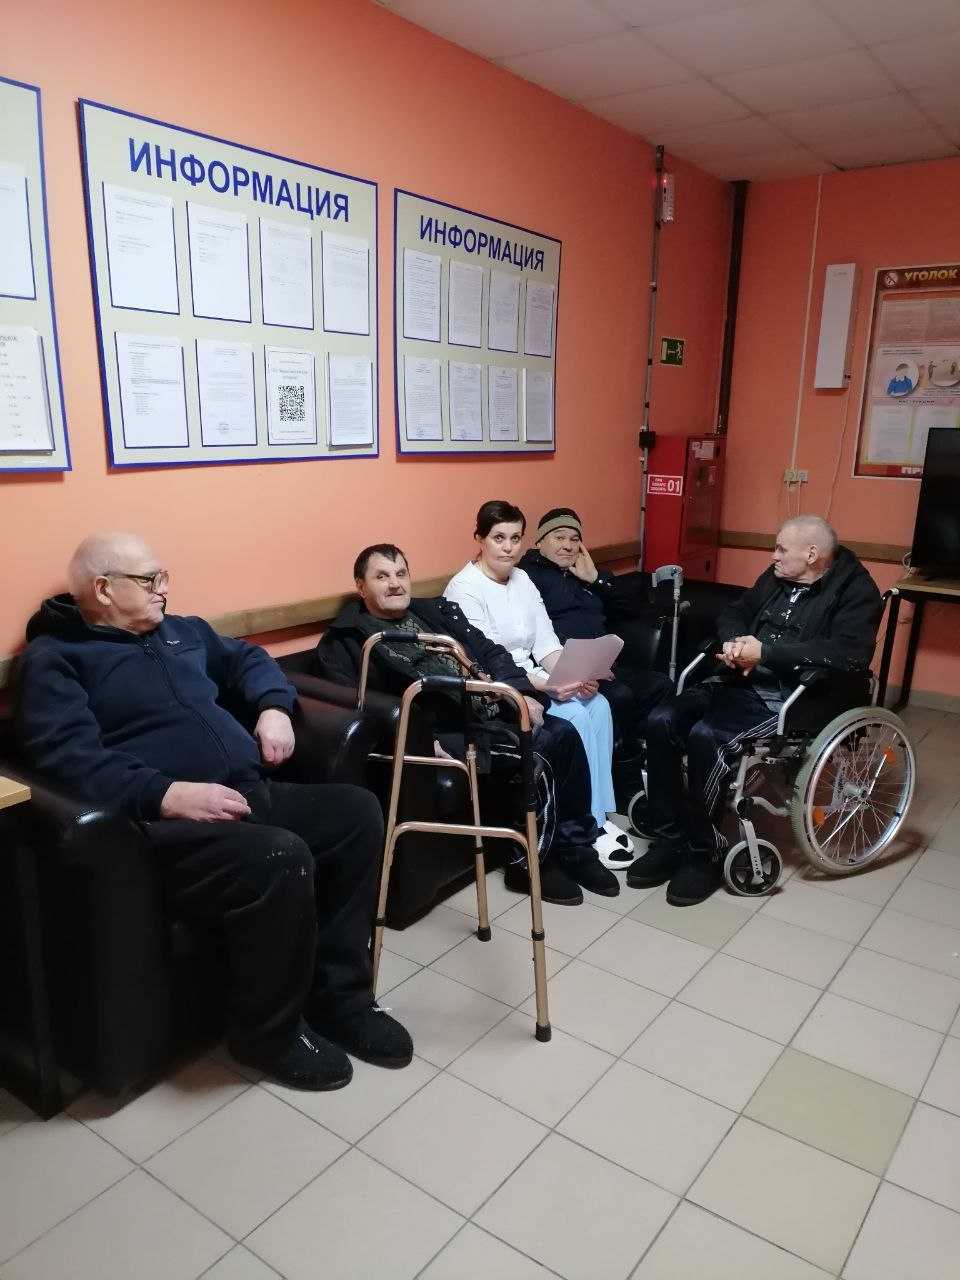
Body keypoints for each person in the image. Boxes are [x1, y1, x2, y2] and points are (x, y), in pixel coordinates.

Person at [15, 532, 412, 1092]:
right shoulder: (56, 660)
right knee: (280, 854)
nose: (164, 589)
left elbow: (250, 659)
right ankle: (268, 1033)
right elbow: (68, 759)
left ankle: (340, 998)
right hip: (163, 824)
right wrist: (166, 793)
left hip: (246, 791)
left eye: (163, 576)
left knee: (356, 812)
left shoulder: (185, 631)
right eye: (150, 580)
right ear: (103, 590)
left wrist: (274, 708)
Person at [316, 543, 621, 904]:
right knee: (539, 750)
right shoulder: (348, 640)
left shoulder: (433, 612)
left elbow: (489, 650)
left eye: (401, 574)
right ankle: (531, 863)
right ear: (361, 586)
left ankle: (577, 846)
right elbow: (358, 706)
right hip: (441, 730)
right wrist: (416, 736)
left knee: (564, 733)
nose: (395, 584)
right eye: (382, 576)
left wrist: (518, 692)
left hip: (487, 708)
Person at [629, 516, 883, 906]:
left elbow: (848, 654)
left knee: (708, 738)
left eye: (781, 549)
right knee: (661, 721)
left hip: (792, 696)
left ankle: (704, 852)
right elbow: (735, 611)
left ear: (812, 554)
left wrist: (765, 652)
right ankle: (670, 837)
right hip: (736, 681)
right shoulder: (778, 577)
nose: (773, 556)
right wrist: (735, 643)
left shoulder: (856, 591)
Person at [444, 501, 634, 865]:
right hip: (501, 684)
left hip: (536, 675)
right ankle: (582, 825)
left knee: (598, 704)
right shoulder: (464, 589)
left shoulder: (523, 579)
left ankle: (598, 815)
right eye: (498, 538)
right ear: (479, 539)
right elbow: (489, 663)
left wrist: (577, 674)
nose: (508, 548)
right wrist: (548, 687)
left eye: (515, 538)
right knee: (575, 715)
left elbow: (546, 646)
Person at [518, 506, 673, 751]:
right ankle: (625, 761)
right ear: (539, 542)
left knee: (660, 684)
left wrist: (596, 580)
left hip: (606, 666)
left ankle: (639, 750)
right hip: (567, 669)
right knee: (620, 695)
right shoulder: (527, 576)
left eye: (574, 539)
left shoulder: (587, 573)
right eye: (559, 537)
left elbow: (636, 610)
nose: (568, 546)